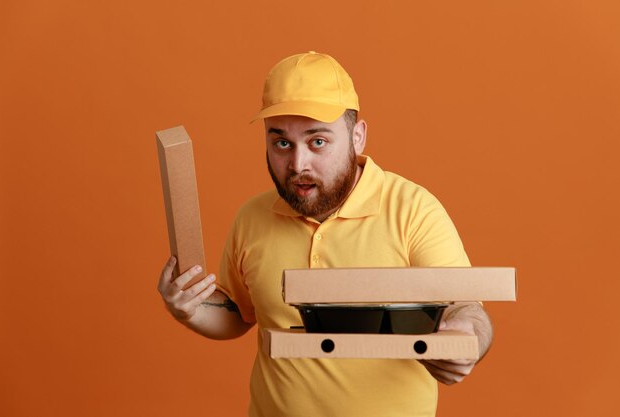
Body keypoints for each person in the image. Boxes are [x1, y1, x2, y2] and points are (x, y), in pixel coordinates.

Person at [157, 51, 493, 417]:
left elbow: (467, 308)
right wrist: (189, 308)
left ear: (358, 136)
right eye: (281, 143)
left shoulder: (413, 210)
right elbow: (240, 314)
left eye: (317, 142)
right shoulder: (251, 218)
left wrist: (464, 341)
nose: (298, 164)